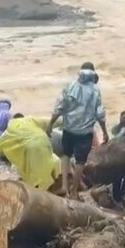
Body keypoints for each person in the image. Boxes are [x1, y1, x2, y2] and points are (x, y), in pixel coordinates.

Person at [48, 62, 107, 199]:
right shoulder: (95, 90)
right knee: (80, 161)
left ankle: (64, 186)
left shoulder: (70, 85)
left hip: (68, 129)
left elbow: (60, 107)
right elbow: (100, 113)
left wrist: (51, 123)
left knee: (66, 155)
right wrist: (104, 131)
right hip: (85, 132)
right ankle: (74, 191)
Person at [0, 115, 60, 190]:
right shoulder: (30, 120)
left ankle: (41, 192)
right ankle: (55, 184)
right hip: (44, 142)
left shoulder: (9, 130)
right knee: (48, 165)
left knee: (36, 176)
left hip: (31, 149)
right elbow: (51, 121)